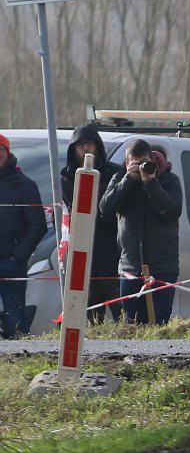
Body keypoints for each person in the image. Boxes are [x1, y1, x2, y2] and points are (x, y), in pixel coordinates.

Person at [100, 138, 183, 324]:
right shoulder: (120, 178)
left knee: (159, 322)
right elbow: (105, 209)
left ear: (151, 160)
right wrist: (128, 180)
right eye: (134, 164)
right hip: (131, 267)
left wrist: (151, 183)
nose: (139, 168)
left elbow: (173, 211)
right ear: (127, 163)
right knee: (131, 323)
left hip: (162, 267)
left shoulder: (169, 180)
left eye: (143, 162)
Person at [61, 124, 124, 322]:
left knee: (119, 307)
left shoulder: (114, 173)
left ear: (97, 146)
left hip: (110, 248)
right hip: (82, 251)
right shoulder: (66, 177)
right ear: (73, 149)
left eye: (89, 144)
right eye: (80, 145)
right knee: (87, 313)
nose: (85, 148)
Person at [0, 133, 46, 339]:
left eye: (1, 151)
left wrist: (18, 255)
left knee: (15, 319)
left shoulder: (25, 185)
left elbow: (38, 225)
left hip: (11, 262)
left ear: (7, 153)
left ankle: (19, 355)